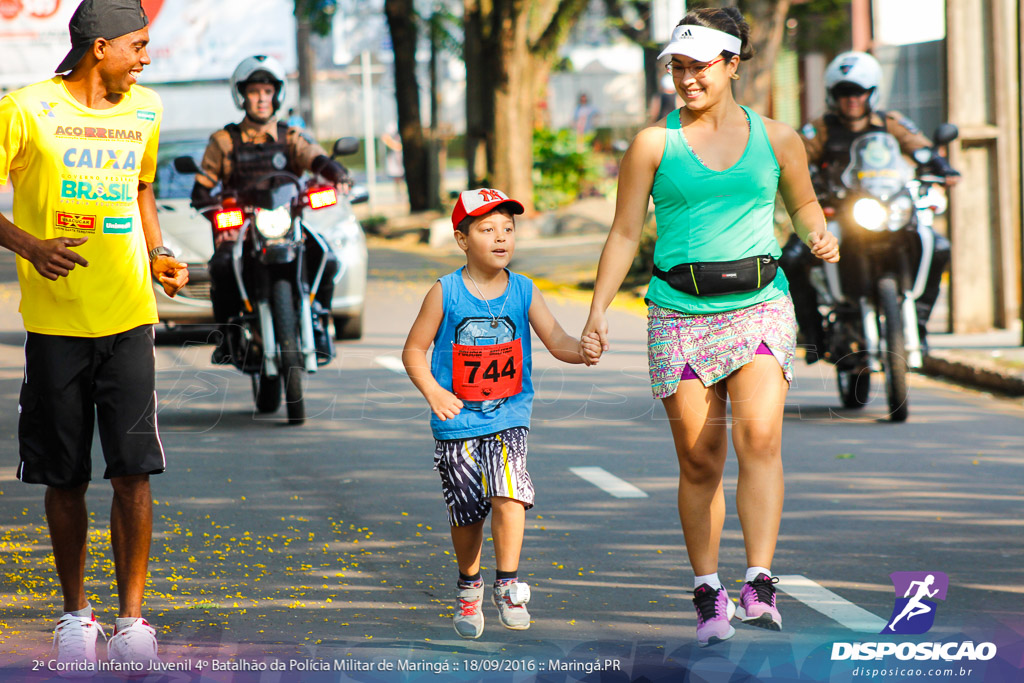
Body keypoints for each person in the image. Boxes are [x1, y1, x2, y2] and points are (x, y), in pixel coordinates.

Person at [582, 8, 838, 646]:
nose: (686, 78)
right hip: (679, 312)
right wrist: (595, 314)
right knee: (700, 460)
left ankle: (758, 578)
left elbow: (801, 199)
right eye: (677, 66)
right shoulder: (652, 144)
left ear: (731, 64)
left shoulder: (777, 138)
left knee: (761, 443)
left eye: (698, 66)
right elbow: (622, 232)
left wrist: (817, 231)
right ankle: (707, 587)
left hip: (759, 305)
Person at [0, 0, 189, 669]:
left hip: (130, 317)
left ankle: (132, 620)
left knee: (135, 472)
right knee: (66, 475)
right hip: (56, 326)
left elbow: (140, 190)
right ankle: (75, 615)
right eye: (137, 46)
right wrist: (28, 245)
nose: (145, 58)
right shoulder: (25, 109)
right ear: (99, 46)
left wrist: (159, 249)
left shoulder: (146, 111)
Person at [403, 188, 601, 639]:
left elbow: (558, 341)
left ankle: (507, 585)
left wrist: (583, 349)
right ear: (462, 239)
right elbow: (413, 350)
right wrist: (433, 391)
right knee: (468, 512)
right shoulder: (446, 292)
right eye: (487, 229)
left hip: (508, 415)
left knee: (510, 492)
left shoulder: (524, 289)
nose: (500, 238)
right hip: (456, 422)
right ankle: (469, 587)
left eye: (508, 229)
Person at [784, 51, 959, 359]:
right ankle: (813, 334)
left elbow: (922, 149)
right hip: (838, 212)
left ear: (872, 93)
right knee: (792, 258)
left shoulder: (890, 123)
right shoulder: (820, 129)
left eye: (859, 92)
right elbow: (795, 160)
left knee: (939, 246)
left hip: (886, 208)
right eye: (844, 92)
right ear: (832, 95)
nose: (852, 99)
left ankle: (917, 323)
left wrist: (943, 169)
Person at [191, 54, 349, 363]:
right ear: (242, 96)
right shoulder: (224, 141)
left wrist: (337, 174)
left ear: (277, 95)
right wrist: (212, 208)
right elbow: (202, 188)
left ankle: (319, 320)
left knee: (327, 258)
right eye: (254, 91)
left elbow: (315, 158)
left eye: (267, 91)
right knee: (221, 267)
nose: (261, 99)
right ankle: (227, 336)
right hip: (244, 230)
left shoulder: (291, 137)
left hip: (288, 225)